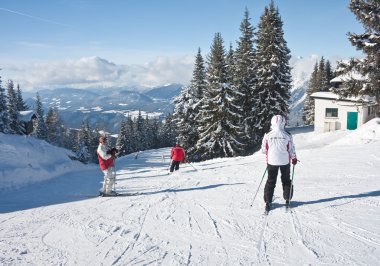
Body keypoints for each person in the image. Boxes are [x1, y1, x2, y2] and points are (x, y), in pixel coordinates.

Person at [261, 115, 297, 212]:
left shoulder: (267, 135)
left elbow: (263, 150)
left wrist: (271, 152)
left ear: (272, 123)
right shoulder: (288, 135)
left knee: (271, 181)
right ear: (283, 123)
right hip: (285, 162)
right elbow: (291, 149)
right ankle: (287, 199)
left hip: (272, 162)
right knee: (286, 180)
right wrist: (294, 159)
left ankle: (268, 201)